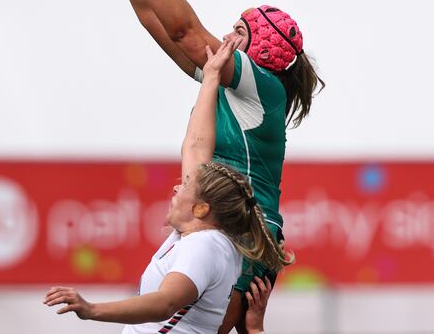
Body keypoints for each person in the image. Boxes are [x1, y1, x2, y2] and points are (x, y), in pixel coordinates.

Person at [91, 0, 323, 333]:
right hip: (212, 218)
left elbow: (184, 30)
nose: (223, 34)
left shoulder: (262, 84)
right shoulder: (225, 82)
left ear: (261, 49)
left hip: (245, 229)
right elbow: (152, 18)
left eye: (238, 28)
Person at [43, 39, 290, 334]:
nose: (176, 190)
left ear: (202, 208)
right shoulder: (202, 237)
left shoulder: (205, 246)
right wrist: (210, 77)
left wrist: (91, 309)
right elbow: (196, 145)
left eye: (184, 187)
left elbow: (164, 303)